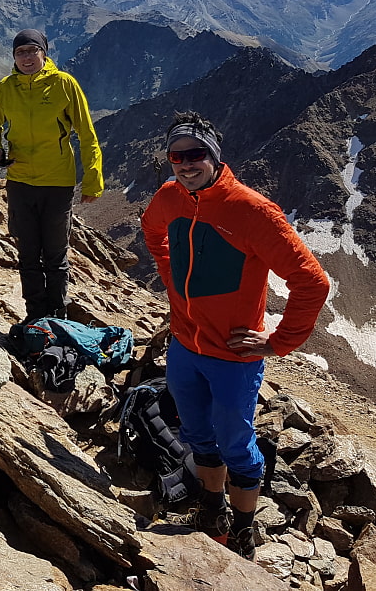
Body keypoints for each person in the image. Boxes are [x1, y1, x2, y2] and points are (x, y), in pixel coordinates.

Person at [140, 111, 330, 560]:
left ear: (214, 155)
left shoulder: (253, 211)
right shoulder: (171, 197)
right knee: (199, 438)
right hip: (185, 346)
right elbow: (152, 232)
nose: (186, 164)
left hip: (232, 356)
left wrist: (277, 343)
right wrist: (171, 280)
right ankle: (212, 510)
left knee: (236, 446)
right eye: (176, 156)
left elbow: (312, 282)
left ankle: (243, 530)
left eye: (196, 154)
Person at [0, 28, 103, 322]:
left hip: (57, 183)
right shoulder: (6, 89)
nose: (26, 57)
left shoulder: (64, 84)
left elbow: (87, 134)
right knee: (27, 254)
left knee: (55, 255)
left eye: (31, 51)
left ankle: (58, 314)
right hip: (21, 181)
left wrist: (93, 180)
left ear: (43, 53)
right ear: (14, 57)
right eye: (20, 52)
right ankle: (35, 316)